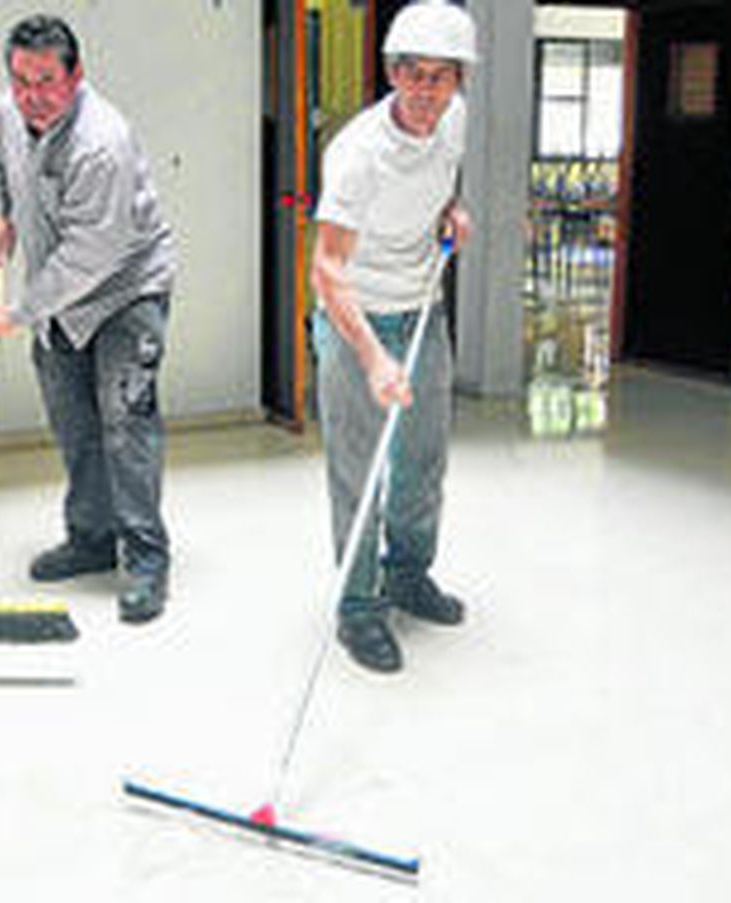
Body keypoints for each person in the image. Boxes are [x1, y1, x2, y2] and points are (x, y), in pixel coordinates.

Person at [0, 15, 178, 625]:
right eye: (20, 80)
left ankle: (145, 559)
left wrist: (17, 312)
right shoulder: (7, 113)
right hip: (55, 297)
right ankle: (92, 538)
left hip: (124, 293)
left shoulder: (102, 142)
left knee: (126, 427)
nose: (30, 96)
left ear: (76, 76)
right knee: (75, 425)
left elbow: (92, 255)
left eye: (45, 81)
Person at [309, 0, 477, 673]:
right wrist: (373, 358)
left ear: (459, 80)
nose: (428, 91)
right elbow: (327, 269)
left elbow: (440, 193)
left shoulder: (454, 122)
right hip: (357, 318)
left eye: (442, 76)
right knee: (359, 470)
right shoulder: (356, 153)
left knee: (422, 460)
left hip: (424, 307)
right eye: (415, 74)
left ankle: (408, 572)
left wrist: (452, 214)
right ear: (393, 73)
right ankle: (357, 606)